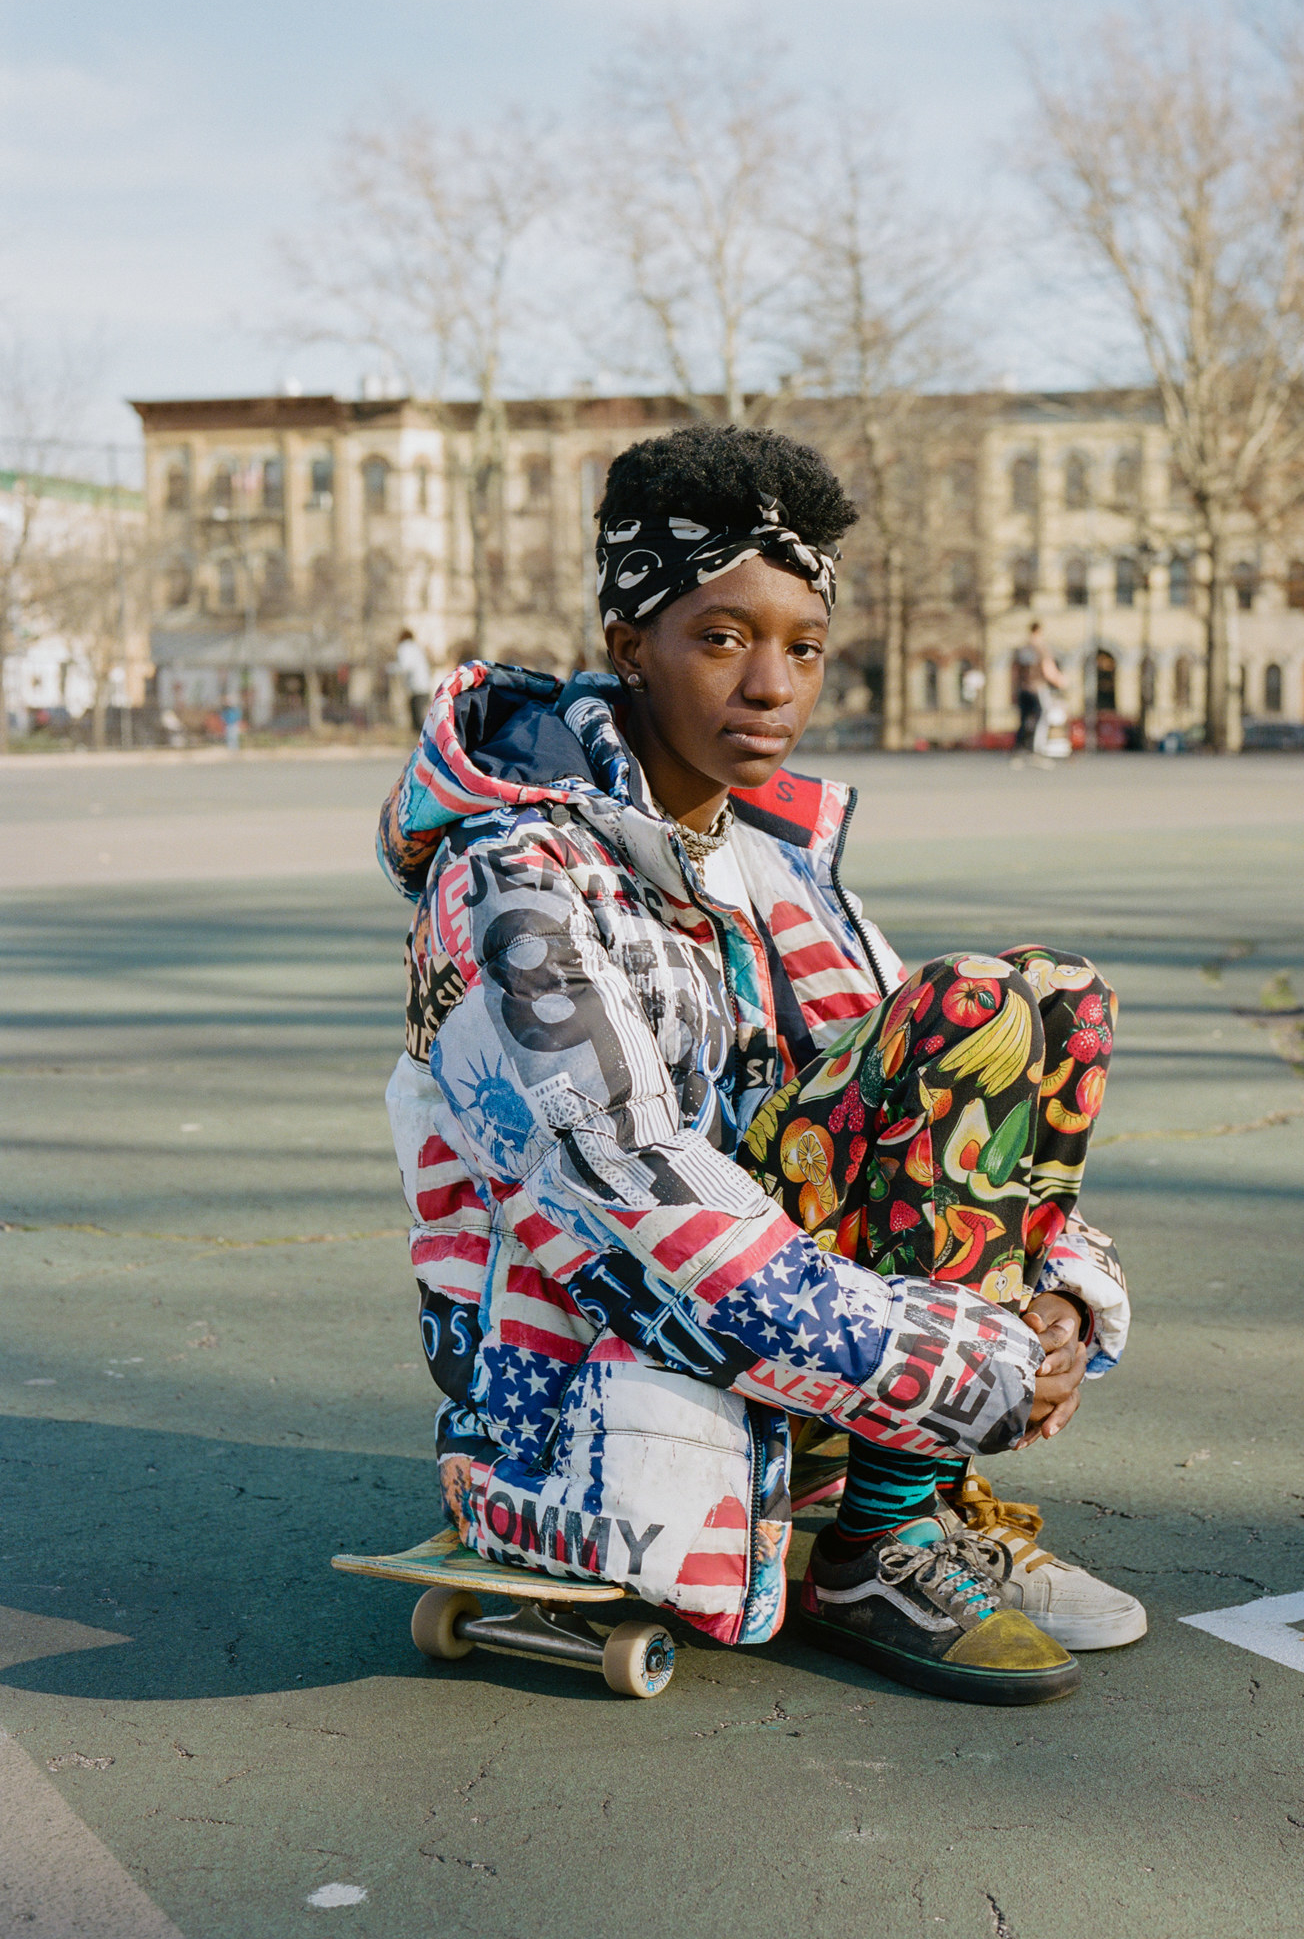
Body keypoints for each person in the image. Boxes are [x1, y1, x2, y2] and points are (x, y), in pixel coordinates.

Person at [377, 424, 1143, 1707]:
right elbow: (621, 1199)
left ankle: (885, 1521)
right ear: (631, 646)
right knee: (957, 1025)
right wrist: (958, 1363)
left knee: (1023, 1004)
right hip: (582, 1372)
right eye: (721, 637)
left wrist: (1057, 1296)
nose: (771, 686)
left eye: (801, 646)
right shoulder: (513, 881)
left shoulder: (774, 862)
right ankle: (875, 1530)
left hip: (796, 1345)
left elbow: (931, 1097)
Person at [1013, 621, 1066, 758]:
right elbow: (1048, 671)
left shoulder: (1022, 649)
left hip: (1023, 689)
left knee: (1024, 719)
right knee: (1042, 716)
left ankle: (1020, 747)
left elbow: (1015, 672)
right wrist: (1062, 681)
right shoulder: (1041, 649)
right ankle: (1037, 748)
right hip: (1037, 688)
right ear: (1039, 632)